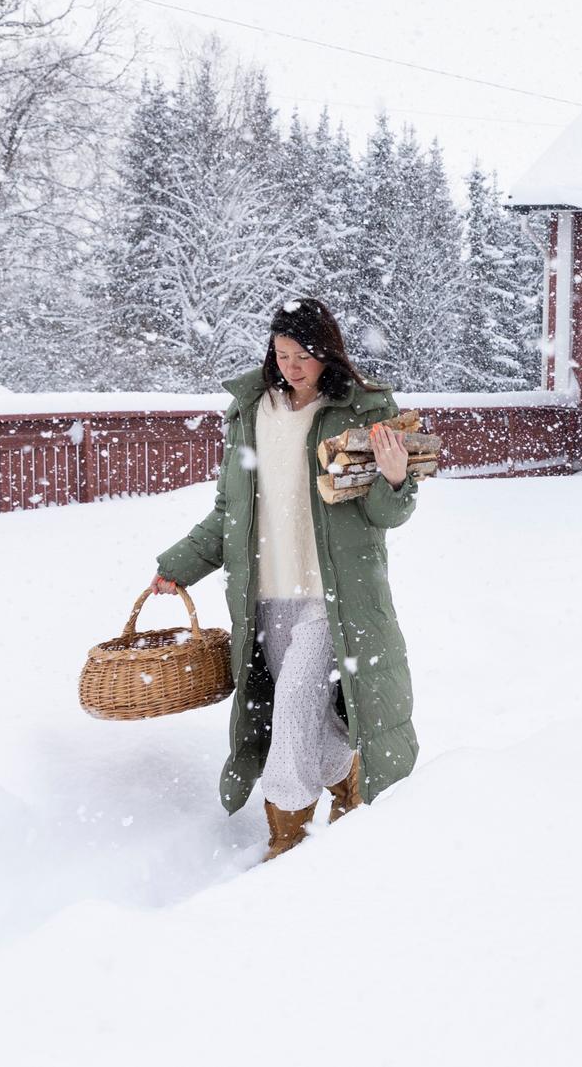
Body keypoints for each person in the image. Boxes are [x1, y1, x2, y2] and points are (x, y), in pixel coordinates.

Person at [152, 297, 420, 859]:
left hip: (334, 594)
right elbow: (231, 512)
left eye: (304, 355)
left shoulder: (364, 409)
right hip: (265, 594)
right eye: (282, 354)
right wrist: (179, 566)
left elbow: (383, 516)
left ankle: (287, 841)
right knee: (298, 709)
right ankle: (345, 782)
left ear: (328, 355)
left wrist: (394, 479)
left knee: (297, 701)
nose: (292, 366)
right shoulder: (252, 412)